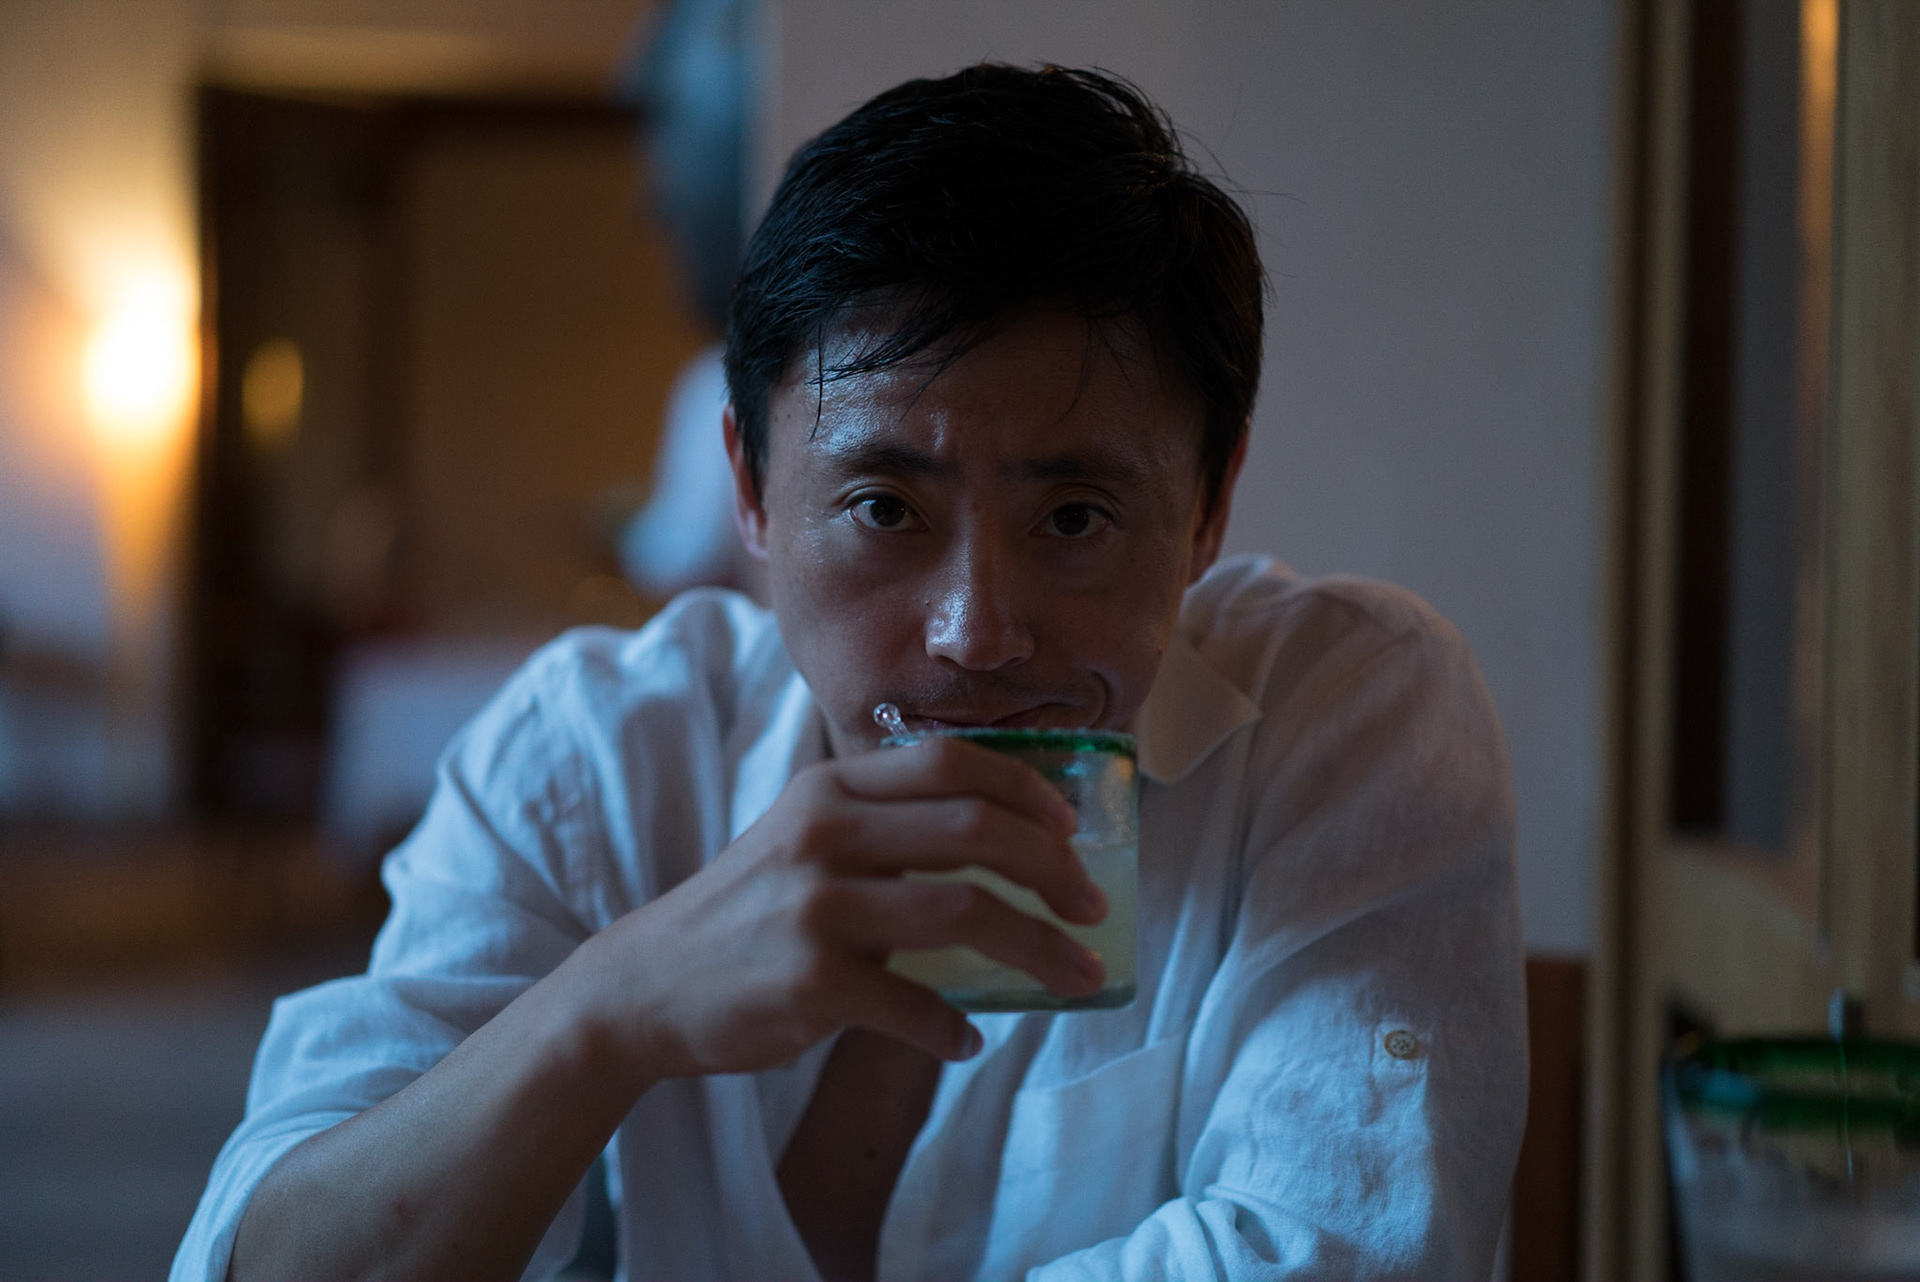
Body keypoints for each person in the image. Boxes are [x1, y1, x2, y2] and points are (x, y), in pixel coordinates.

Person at [175, 64, 1525, 1282]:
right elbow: (264, 1258)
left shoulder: (1343, 713)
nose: (976, 633)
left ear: (1209, 507)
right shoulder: (596, 756)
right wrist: (610, 1007)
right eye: (886, 507)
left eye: (1074, 518)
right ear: (753, 489)